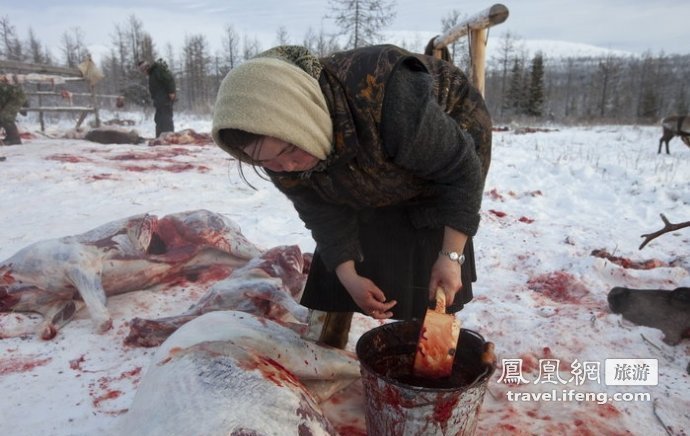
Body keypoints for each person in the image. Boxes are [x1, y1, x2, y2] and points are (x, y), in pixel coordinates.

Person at [211, 44, 492, 348]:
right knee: (345, 238)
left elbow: (460, 172)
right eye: (267, 162)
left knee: (425, 254)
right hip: (365, 153)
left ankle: (429, 355)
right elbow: (321, 212)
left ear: (304, 119)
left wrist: (451, 256)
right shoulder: (276, 151)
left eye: (290, 149)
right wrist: (348, 276)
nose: (286, 168)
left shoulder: (388, 96)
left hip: (442, 151)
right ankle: (327, 339)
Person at [138, 59, 176, 138]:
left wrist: (171, 92)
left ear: (146, 67)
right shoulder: (152, 75)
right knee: (159, 119)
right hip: (159, 101)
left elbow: (169, 79)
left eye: (143, 70)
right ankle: (159, 137)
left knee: (166, 120)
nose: (143, 72)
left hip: (165, 100)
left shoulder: (158, 70)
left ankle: (169, 137)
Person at [0, 81, 27, 146]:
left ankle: (14, 139)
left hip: (16, 96)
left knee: (6, 117)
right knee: (3, 117)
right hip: (10, 97)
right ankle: (11, 138)